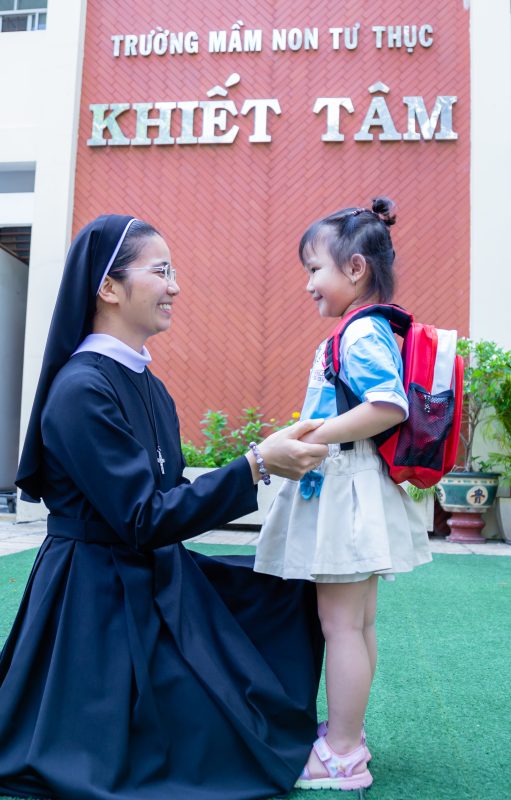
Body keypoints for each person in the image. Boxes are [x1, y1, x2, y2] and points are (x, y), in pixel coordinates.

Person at [0, 214, 329, 800]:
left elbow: (168, 497)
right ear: (108, 287)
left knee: (285, 588)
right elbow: (142, 518)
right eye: (161, 271)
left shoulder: (148, 384)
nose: (175, 286)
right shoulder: (81, 389)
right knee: (194, 751)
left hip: (150, 568)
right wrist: (256, 464)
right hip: (95, 593)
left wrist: (265, 469)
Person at [254, 197, 432, 791]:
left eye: (314, 269)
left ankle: (342, 752)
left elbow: (388, 405)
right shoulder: (370, 326)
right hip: (357, 485)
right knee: (357, 624)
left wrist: (311, 435)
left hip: (345, 488)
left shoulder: (356, 333)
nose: (308, 283)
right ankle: (346, 735)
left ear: (355, 268)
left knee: (342, 626)